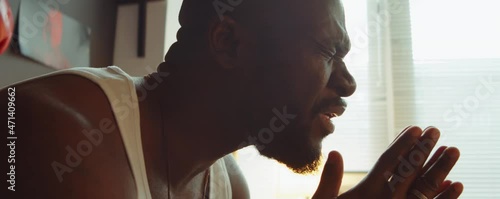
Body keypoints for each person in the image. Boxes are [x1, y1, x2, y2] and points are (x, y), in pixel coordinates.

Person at [1, 0, 463, 198]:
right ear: (229, 43)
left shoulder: (227, 186)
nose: (347, 85)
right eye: (328, 52)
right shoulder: (59, 136)